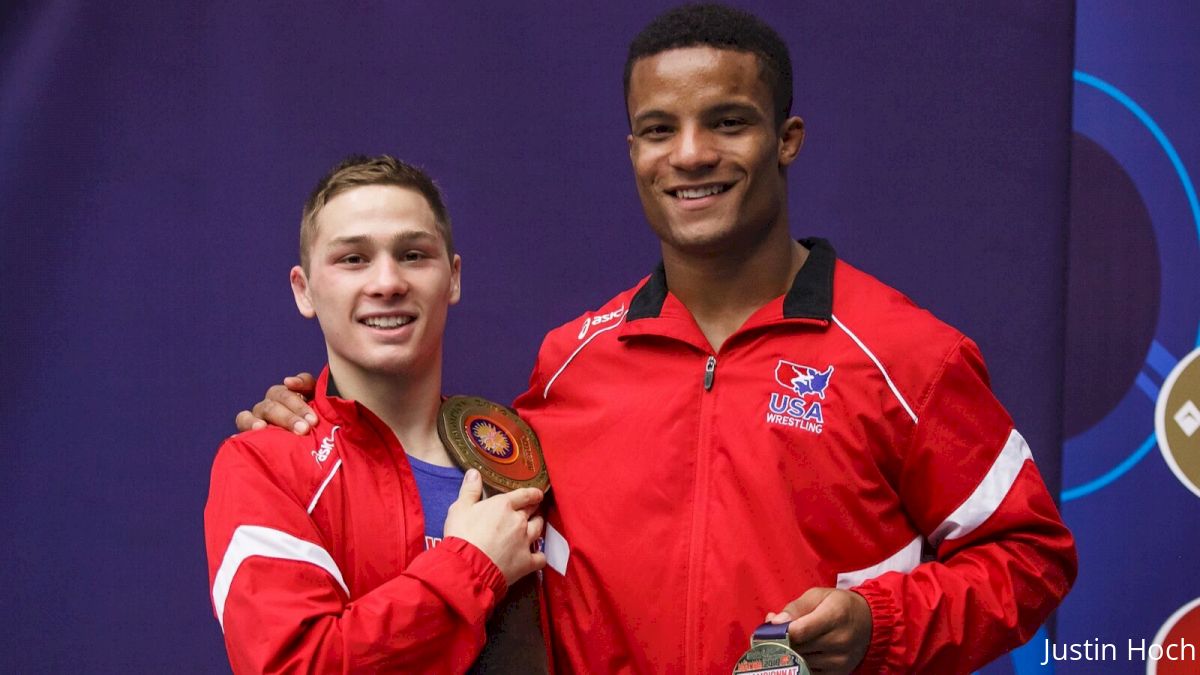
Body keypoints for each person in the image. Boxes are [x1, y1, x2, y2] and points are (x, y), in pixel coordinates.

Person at [237, 5, 1077, 673]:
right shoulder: (570, 361)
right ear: (632, 149)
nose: (691, 154)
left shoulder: (903, 354)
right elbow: (446, 479)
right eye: (658, 128)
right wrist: (319, 411)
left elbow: (1031, 556)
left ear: (787, 139)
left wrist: (880, 626)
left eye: (728, 121)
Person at [206, 155, 548, 674]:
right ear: (304, 290)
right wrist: (471, 565)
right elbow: (297, 667)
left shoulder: (524, 453)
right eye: (353, 259)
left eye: (413, 255)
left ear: (452, 278)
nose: (387, 282)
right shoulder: (265, 466)